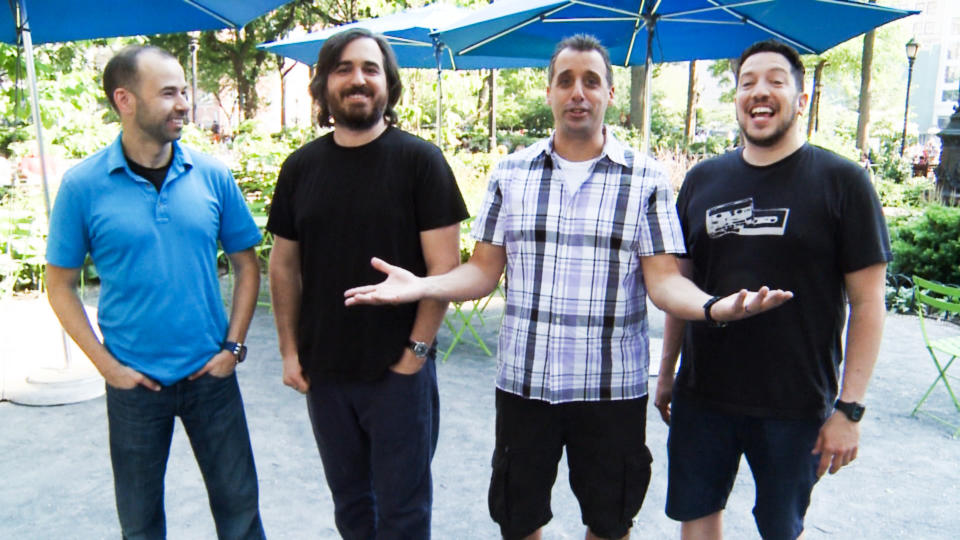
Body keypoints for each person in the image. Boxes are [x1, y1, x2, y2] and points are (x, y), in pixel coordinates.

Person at [344, 34, 791, 540]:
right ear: (550, 91)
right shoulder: (511, 173)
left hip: (610, 389)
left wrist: (713, 308)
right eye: (566, 81)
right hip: (524, 384)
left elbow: (664, 283)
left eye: (591, 81)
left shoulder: (644, 179)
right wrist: (424, 285)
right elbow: (483, 271)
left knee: (609, 519)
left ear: (610, 94)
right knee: (519, 518)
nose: (578, 92)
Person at [655, 40, 891, 540]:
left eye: (775, 81)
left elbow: (869, 302)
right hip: (704, 395)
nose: (760, 92)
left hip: (796, 404)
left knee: (780, 529)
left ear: (801, 100)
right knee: (696, 517)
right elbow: (680, 284)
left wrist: (849, 409)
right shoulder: (701, 180)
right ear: (737, 98)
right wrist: (667, 374)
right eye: (747, 82)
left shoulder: (843, 182)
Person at [45, 46, 265, 539]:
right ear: (124, 100)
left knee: (241, 514)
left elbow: (247, 265)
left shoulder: (212, 174)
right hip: (134, 386)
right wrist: (108, 368)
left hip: (211, 375)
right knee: (141, 524)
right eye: (168, 93)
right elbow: (58, 285)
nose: (184, 103)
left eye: (184, 91)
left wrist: (233, 348)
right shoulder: (82, 186)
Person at [266, 28, 468, 538]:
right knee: (352, 508)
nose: (358, 79)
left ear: (388, 85)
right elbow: (283, 266)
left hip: (396, 372)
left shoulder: (421, 162)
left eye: (370, 69)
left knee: (403, 514)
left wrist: (414, 354)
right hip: (326, 374)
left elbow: (442, 270)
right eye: (344, 68)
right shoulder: (299, 168)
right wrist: (290, 351)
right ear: (324, 85)